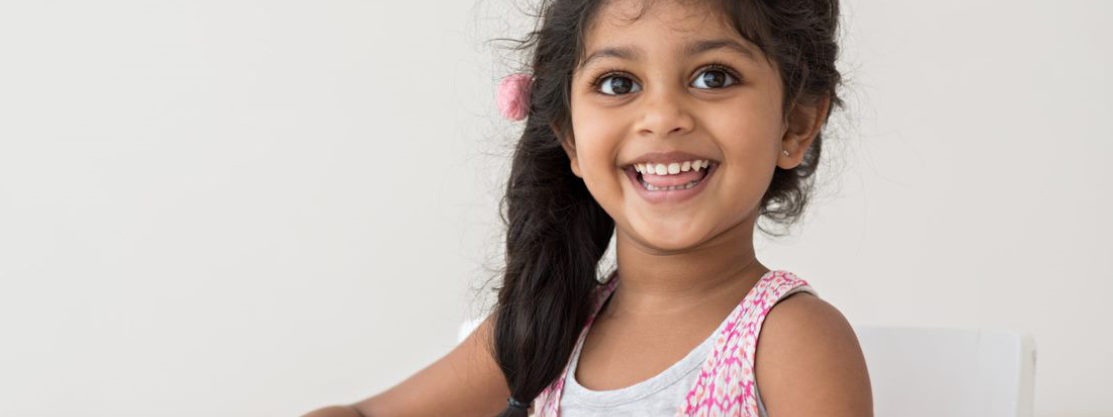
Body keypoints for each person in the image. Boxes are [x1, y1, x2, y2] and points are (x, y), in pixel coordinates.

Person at [304, 0, 871, 415]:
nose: (662, 115)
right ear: (570, 138)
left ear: (794, 124)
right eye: (618, 82)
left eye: (713, 76)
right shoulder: (545, 326)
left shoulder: (790, 340)